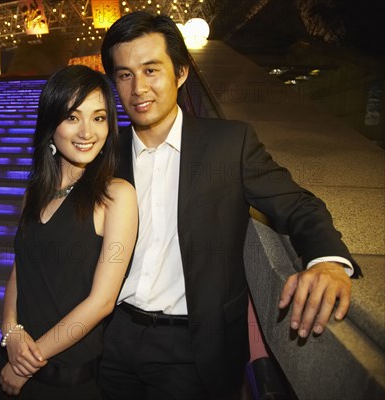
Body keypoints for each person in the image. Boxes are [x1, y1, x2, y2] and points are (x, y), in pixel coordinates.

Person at [98, 11, 360, 399]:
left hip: (192, 345)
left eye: (151, 70)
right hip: (110, 337)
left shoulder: (229, 144)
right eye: (124, 74)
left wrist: (328, 264)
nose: (139, 88)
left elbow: (300, 206)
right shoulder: (105, 152)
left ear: (181, 72)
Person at [0, 65, 138, 399]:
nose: (87, 131)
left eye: (98, 118)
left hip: (62, 378)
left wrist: (27, 363)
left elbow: (101, 303)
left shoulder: (117, 195)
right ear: (51, 123)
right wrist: (10, 330)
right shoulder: (34, 192)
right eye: (73, 117)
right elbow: (20, 268)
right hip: (9, 359)